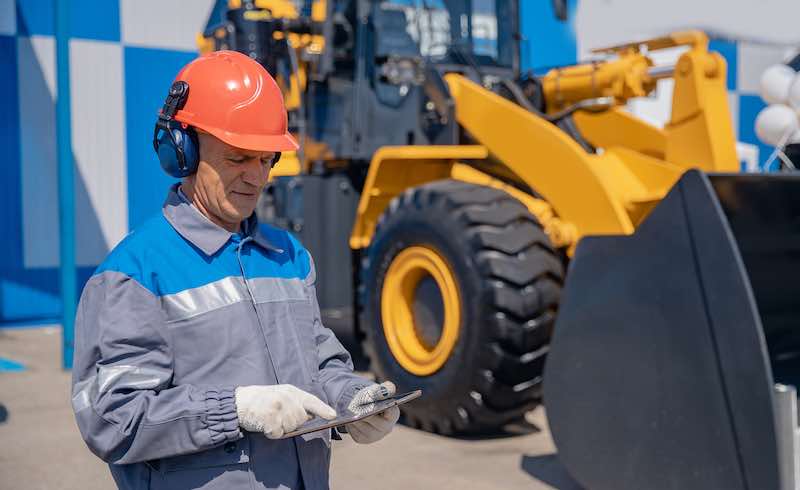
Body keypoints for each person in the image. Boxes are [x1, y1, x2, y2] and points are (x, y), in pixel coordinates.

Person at [70, 50, 399, 490]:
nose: (256, 177)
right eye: (238, 157)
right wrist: (234, 408)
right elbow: (111, 419)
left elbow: (319, 360)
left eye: (266, 160)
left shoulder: (289, 256)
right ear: (181, 150)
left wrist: (351, 398)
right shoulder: (134, 275)